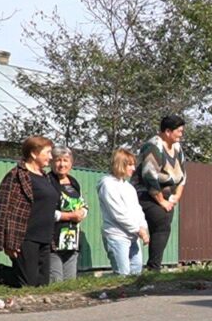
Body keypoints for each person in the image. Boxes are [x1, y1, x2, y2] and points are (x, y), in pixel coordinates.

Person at [0, 136, 61, 287]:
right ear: (34, 154)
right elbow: (3, 207)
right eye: (47, 152)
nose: (51, 157)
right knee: (27, 282)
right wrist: (7, 241)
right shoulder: (17, 175)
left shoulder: (46, 177)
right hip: (25, 237)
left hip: (45, 237)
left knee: (42, 284)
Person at [134, 114, 186, 271]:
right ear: (168, 131)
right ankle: (153, 267)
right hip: (145, 194)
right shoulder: (153, 146)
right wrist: (162, 201)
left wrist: (176, 196)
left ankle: (154, 266)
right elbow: (149, 176)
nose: (181, 134)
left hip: (167, 195)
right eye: (179, 131)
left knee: (164, 224)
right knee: (161, 220)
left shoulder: (177, 148)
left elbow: (183, 175)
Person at [98, 147, 150, 275]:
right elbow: (118, 213)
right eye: (130, 165)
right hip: (116, 235)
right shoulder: (107, 184)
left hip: (133, 235)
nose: (133, 168)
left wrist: (143, 226)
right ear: (120, 164)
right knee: (122, 273)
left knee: (136, 270)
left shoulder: (129, 187)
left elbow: (137, 209)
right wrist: (138, 230)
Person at [47, 146, 88, 282]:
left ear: (71, 163)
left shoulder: (74, 182)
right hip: (53, 241)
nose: (62, 164)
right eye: (58, 160)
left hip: (71, 241)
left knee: (70, 283)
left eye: (66, 160)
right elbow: (43, 211)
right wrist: (69, 216)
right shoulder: (47, 181)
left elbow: (83, 204)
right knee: (56, 281)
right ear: (51, 162)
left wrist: (82, 212)